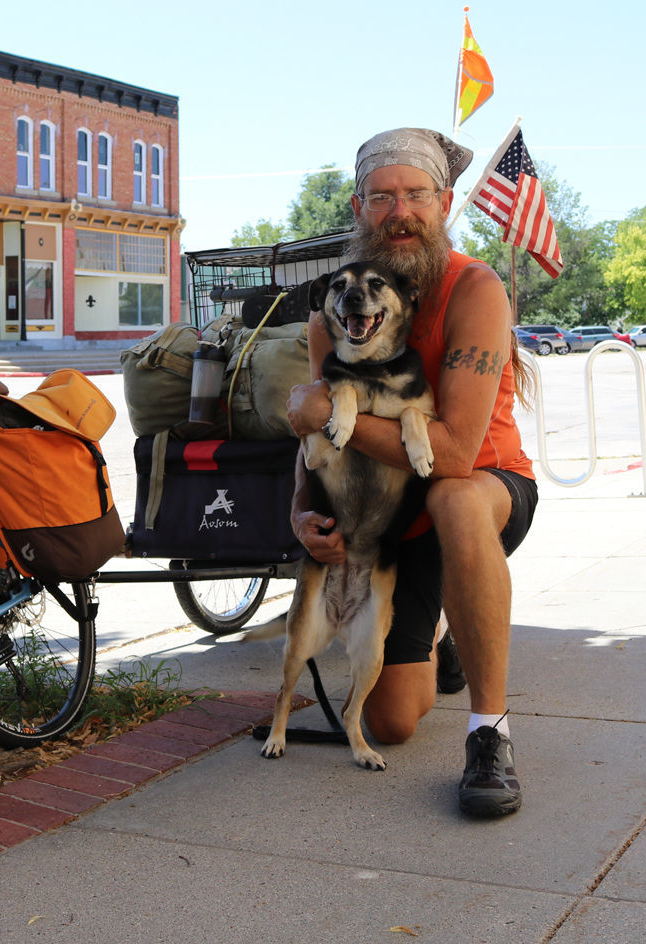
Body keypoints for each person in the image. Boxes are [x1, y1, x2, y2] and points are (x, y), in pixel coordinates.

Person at [286, 128, 538, 818]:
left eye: (417, 195)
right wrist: (302, 512)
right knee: (389, 722)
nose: (401, 211)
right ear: (359, 206)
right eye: (383, 196)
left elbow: (453, 451)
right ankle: (444, 632)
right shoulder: (331, 315)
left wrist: (321, 411)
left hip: (487, 488)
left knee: (454, 497)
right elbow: (317, 444)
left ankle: (490, 734)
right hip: (396, 514)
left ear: (445, 202)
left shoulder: (475, 291)